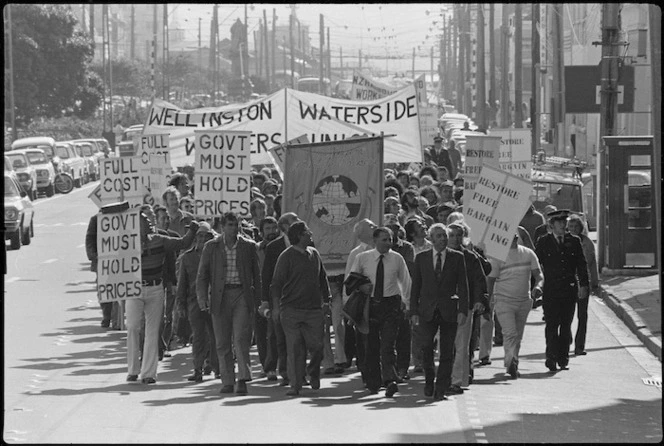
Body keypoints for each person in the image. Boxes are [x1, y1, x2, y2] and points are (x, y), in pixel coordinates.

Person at [126, 206, 199, 384]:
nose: (150, 222)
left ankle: (148, 373)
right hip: (133, 290)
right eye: (145, 220)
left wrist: (193, 230)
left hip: (155, 290)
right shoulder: (126, 243)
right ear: (136, 226)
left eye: (150, 220)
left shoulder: (159, 239)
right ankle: (133, 369)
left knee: (153, 331)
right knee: (133, 327)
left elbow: (182, 243)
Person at [196, 211, 262, 395]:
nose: (233, 229)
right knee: (222, 341)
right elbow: (202, 275)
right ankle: (227, 379)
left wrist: (259, 301)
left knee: (241, 338)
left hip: (242, 294)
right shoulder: (212, 247)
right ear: (222, 227)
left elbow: (257, 275)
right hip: (220, 296)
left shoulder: (248, 246)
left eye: (236, 225)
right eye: (230, 225)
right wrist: (202, 297)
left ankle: (242, 378)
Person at [267, 221, 331, 396]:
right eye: (307, 232)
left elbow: (322, 279)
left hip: (313, 310)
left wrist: (327, 301)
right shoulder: (286, 257)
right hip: (291, 310)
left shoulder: (314, 254)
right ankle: (295, 385)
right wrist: (275, 308)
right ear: (299, 236)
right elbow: (276, 284)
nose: (310, 234)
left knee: (317, 346)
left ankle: (314, 372)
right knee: (294, 347)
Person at [350, 227, 412, 397]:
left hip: (391, 305)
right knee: (370, 345)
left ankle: (389, 379)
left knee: (388, 344)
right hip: (370, 305)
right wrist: (361, 286)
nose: (388, 243)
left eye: (390, 239)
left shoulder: (397, 258)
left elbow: (406, 282)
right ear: (375, 241)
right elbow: (351, 281)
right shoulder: (362, 258)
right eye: (384, 239)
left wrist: (407, 304)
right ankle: (373, 381)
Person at [410, 223, 469, 401]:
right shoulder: (421, 258)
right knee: (426, 346)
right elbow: (416, 287)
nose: (443, 239)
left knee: (447, 350)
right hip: (427, 310)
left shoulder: (457, 258)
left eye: (445, 235)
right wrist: (413, 310)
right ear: (431, 239)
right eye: (439, 236)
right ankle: (429, 379)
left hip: (448, 309)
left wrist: (463, 310)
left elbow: (463, 286)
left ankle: (441, 387)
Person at [535, 210, 589, 371]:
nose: (563, 225)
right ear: (552, 225)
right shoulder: (544, 241)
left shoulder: (574, 241)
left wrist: (584, 285)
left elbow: (581, 264)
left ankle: (563, 357)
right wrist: (536, 285)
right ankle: (551, 356)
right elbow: (536, 265)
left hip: (568, 289)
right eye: (559, 223)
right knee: (552, 324)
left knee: (565, 325)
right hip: (551, 289)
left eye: (564, 222)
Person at [488, 234, 544, 379]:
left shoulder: (528, 253)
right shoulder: (497, 257)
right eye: (510, 234)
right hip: (504, 301)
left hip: (524, 301)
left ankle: (513, 361)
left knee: (517, 336)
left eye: (515, 234)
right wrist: (488, 301)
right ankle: (510, 362)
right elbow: (491, 280)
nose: (513, 237)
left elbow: (539, 275)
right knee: (510, 333)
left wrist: (538, 286)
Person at [260, 212, 300, 386]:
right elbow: (267, 275)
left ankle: (295, 371)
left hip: (299, 297)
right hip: (279, 298)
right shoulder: (274, 247)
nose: (298, 224)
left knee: (297, 337)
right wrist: (265, 301)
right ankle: (274, 368)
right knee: (277, 336)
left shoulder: (305, 244)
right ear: (285, 227)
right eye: (294, 222)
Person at [447, 222, 487, 394]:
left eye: (459, 235)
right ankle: (443, 377)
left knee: (462, 345)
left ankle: (457, 381)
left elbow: (480, 280)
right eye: (452, 235)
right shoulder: (440, 255)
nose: (455, 238)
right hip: (443, 307)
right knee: (445, 346)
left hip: (465, 306)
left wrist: (479, 300)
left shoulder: (470, 257)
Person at [177, 222, 219, 382]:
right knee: (198, 336)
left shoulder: (216, 254)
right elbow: (182, 283)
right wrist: (180, 304)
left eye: (205, 236)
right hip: (194, 302)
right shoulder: (187, 257)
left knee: (217, 335)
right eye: (199, 235)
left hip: (215, 300)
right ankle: (198, 369)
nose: (202, 239)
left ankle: (217, 367)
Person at [343, 218, 378, 382]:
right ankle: (366, 372)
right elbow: (349, 281)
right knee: (363, 339)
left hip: (382, 300)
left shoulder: (382, 250)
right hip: (363, 303)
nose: (375, 227)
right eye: (371, 226)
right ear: (361, 232)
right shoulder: (356, 254)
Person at [385, 215, 415, 381]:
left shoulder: (407, 248)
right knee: (389, 337)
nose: (394, 230)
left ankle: (403, 368)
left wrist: (408, 300)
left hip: (402, 295)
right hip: (386, 297)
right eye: (390, 227)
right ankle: (390, 369)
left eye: (396, 227)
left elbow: (407, 272)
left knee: (404, 335)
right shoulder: (378, 249)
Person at [566, 214, 599, 356]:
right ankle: (566, 340)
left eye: (576, 226)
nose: (573, 229)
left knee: (582, 316)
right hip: (567, 284)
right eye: (571, 226)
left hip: (583, 283)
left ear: (581, 228)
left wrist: (594, 283)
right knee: (566, 316)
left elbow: (592, 264)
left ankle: (580, 346)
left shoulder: (587, 242)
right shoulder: (563, 241)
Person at [255, 216, 280, 379]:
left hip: (274, 294)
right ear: (261, 232)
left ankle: (273, 366)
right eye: (267, 229)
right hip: (257, 293)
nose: (271, 232)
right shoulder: (255, 249)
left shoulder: (281, 248)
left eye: (273, 228)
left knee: (273, 332)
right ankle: (265, 364)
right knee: (260, 331)